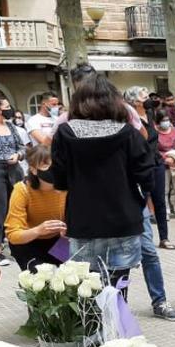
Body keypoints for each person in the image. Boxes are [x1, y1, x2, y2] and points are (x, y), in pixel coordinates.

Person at [51, 74, 154, 289]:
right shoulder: (128, 133)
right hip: (123, 219)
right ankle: (117, 322)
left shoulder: (64, 133)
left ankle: (95, 324)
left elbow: (59, 180)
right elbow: (146, 176)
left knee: (88, 290)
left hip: (83, 220)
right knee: (117, 289)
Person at [125, 86, 175, 249]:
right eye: (143, 96)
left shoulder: (151, 114)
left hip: (156, 162)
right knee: (141, 199)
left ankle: (164, 238)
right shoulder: (128, 118)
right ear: (134, 101)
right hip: (139, 164)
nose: (147, 98)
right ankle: (143, 240)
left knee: (159, 200)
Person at [5, 145, 66, 271]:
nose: (52, 169)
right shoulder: (22, 190)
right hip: (28, 242)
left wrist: (69, 230)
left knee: (69, 276)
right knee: (40, 279)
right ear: (33, 169)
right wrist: (38, 230)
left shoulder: (67, 187)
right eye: (45, 165)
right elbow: (13, 235)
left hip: (59, 241)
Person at [0, 94, 27, 266]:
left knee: (16, 207)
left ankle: (16, 245)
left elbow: (22, 146)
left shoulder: (11, 126)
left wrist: (18, 155)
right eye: (5, 107)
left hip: (14, 170)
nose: (9, 110)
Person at [153, 109, 175, 225]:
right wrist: (165, 158)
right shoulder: (154, 132)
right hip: (162, 164)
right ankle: (166, 211)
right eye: (163, 120)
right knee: (164, 190)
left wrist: (173, 157)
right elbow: (154, 149)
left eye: (167, 120)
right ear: (158, 122)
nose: (165, 122)